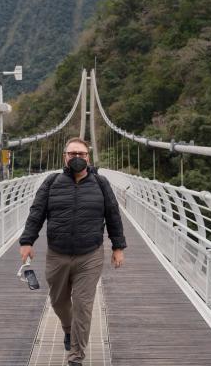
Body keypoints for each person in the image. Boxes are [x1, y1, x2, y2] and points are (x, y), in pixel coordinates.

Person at [19, 137, 126, 366]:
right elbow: (36, 212)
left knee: (83, 306)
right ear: (64, 157)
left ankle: (76, 356)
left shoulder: (101, 183)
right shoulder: (51, 182)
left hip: (90, 254)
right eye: (72, 154)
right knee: (58, 301)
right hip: (57, 253)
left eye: (81, 154)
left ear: (89, 157)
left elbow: (113, 215)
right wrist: (27, 241)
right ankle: (68, 330)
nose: (77, 158)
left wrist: (118, 247)